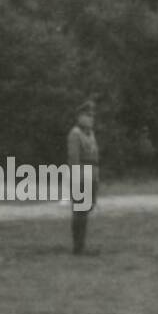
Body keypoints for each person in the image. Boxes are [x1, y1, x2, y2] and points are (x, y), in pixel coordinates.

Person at [67, 100, 101, 255]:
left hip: (92, 173)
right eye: (88, 115)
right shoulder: (75, 134)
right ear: (79, 117)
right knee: (80, 210)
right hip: (81, 175)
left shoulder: (90, 133)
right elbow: (74, 158)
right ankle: (78, 247)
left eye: (92, 116)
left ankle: (82, 245)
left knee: (86, 209)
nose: (91, 118)